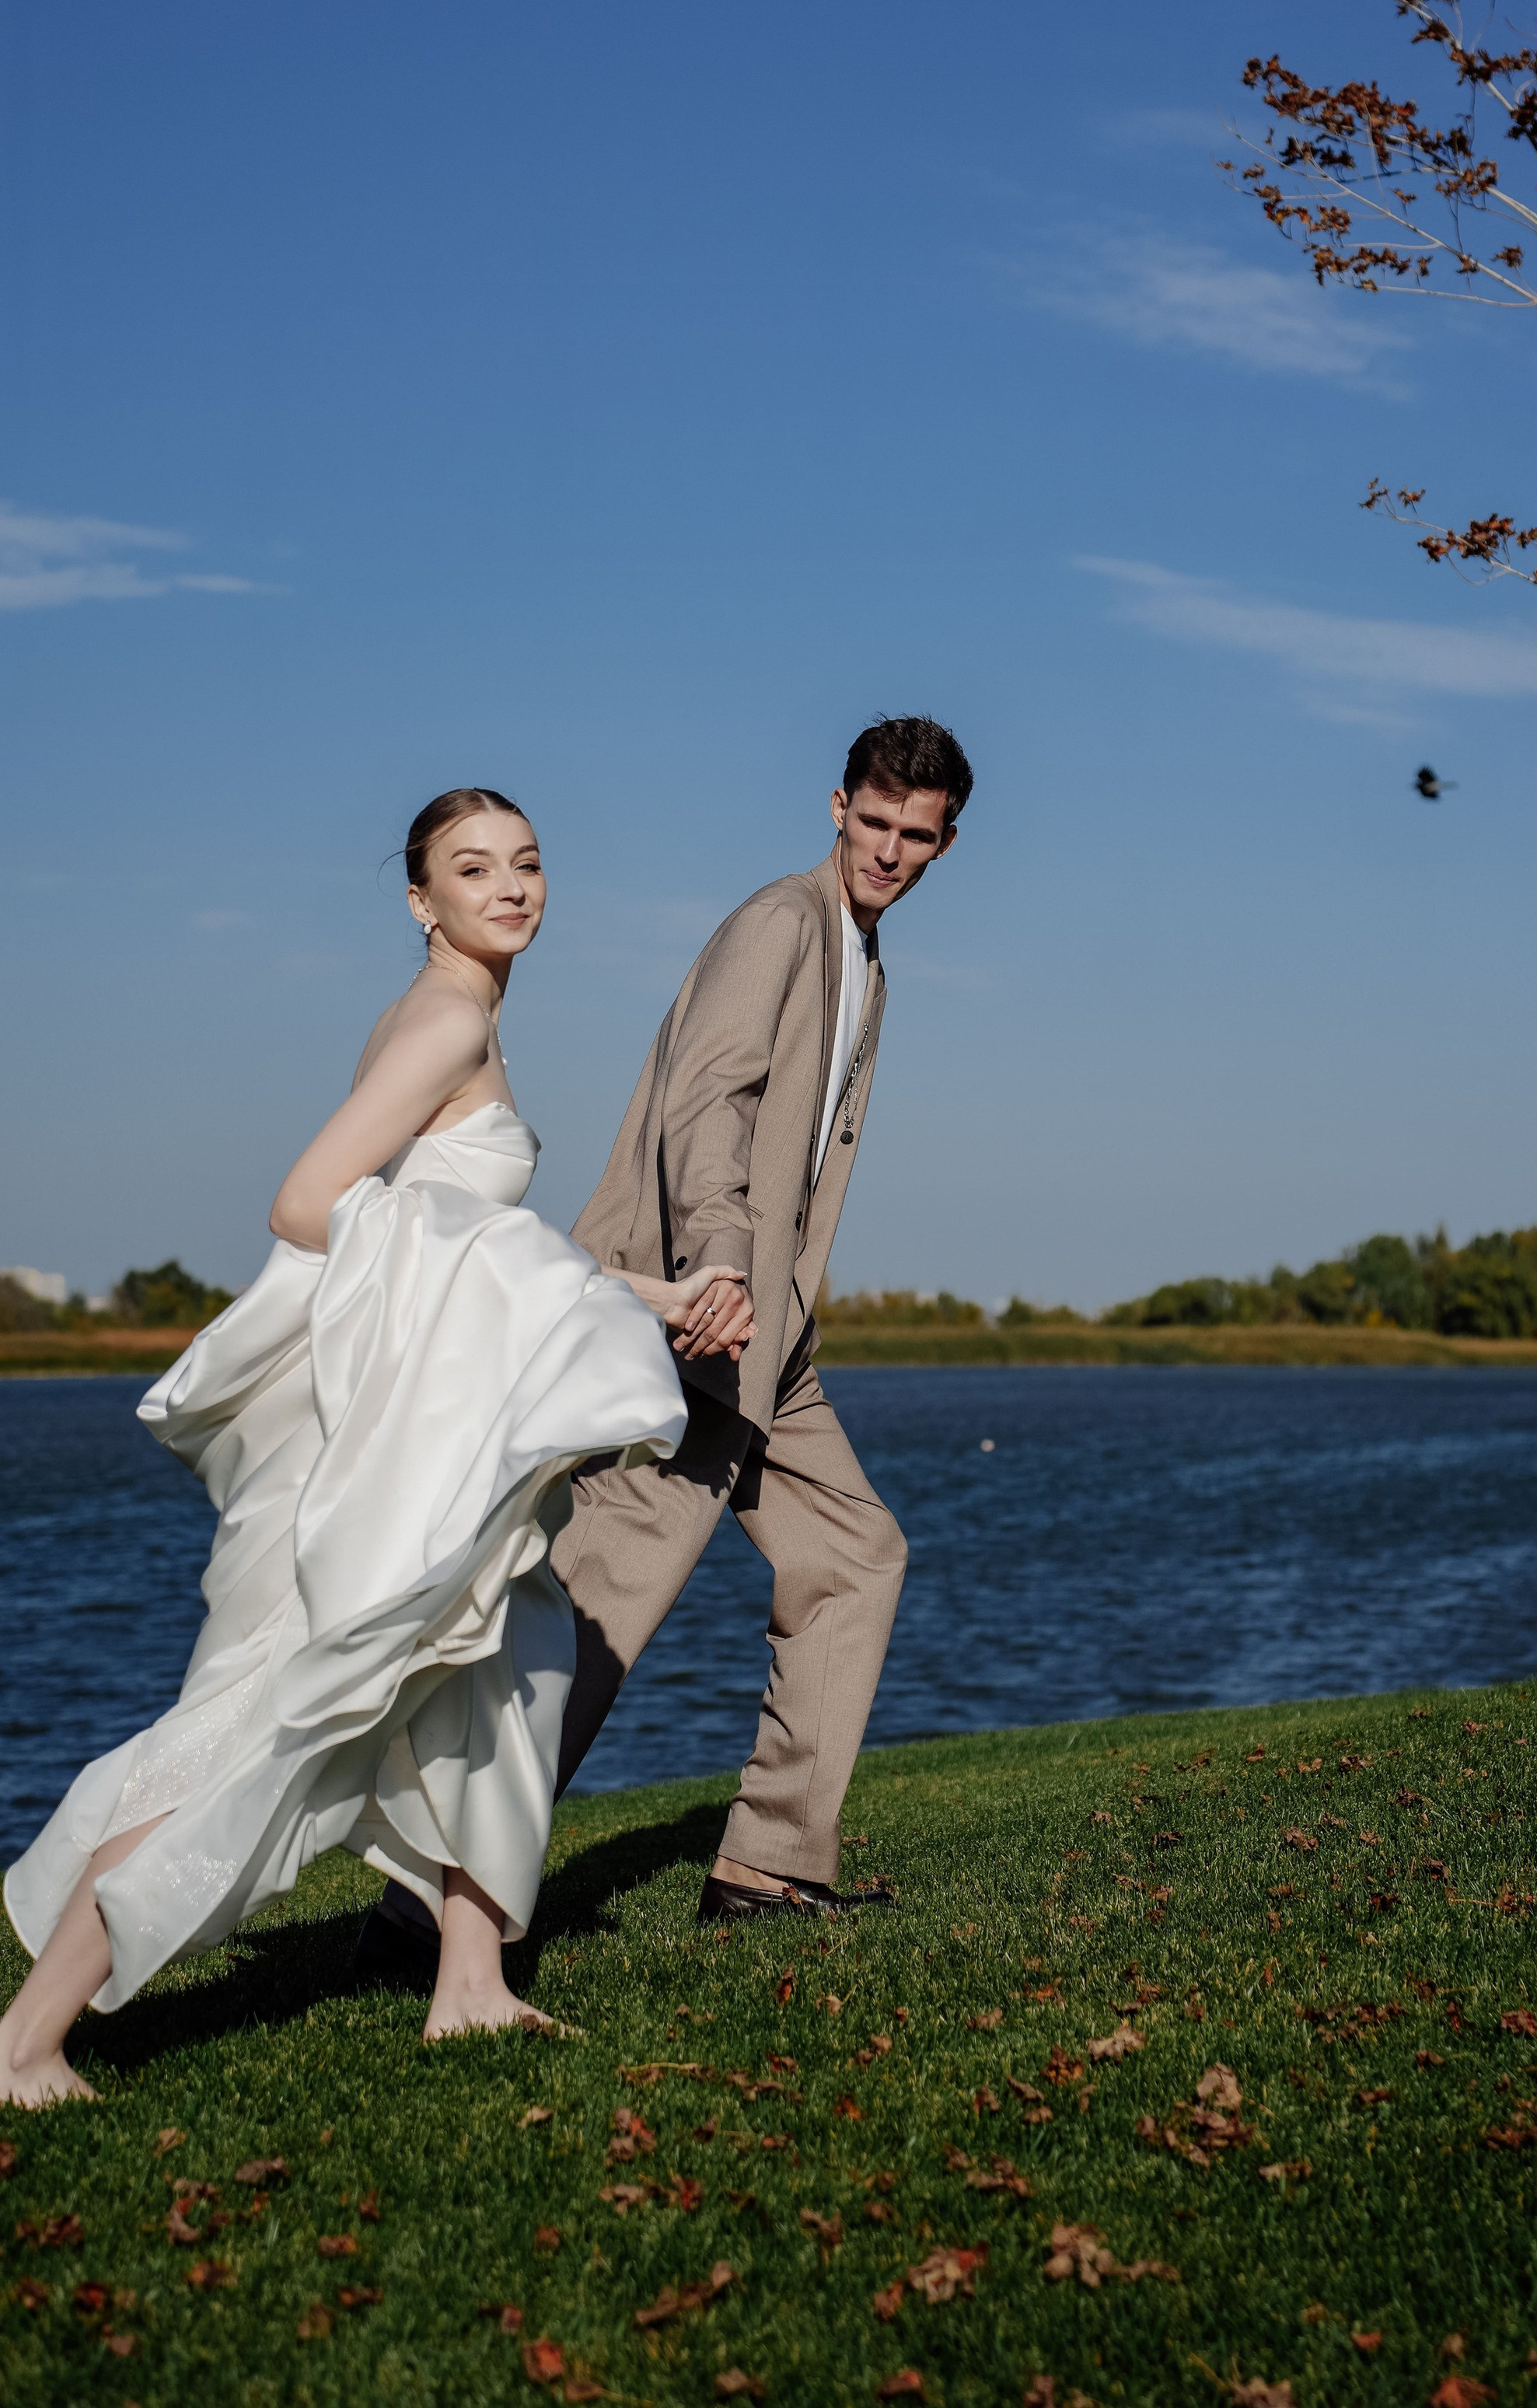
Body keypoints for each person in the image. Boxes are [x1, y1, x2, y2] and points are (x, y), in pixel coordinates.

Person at [0, 790, 740, 2104]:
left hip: (428, 1431)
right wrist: (547, 1292)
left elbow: (451, 1220)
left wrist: (643, 1295)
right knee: (272, 1717)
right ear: (421, 899)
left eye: (525, 862)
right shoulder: (447, 1019)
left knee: (510, 1663)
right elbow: (305, 1207)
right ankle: (25, 2041)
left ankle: (471, 1987)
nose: (510, 887)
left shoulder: (452, 1013)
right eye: (473, 868)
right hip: (403, 1453)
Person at [362, 714, 973, 1962]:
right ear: (838, 807)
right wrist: (718, 1261)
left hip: (770, 1338)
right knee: (601, 1603)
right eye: (874, 823)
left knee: (856, 1556)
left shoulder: (864, 956)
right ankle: (428, 1900)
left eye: (916, 837)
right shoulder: (779, 925)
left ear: (944, 842)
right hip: (696, 1316)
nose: (890, 852)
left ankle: (768, 1862)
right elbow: (710, 1100)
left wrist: (775, 1300)